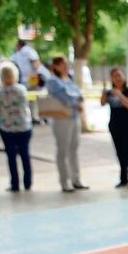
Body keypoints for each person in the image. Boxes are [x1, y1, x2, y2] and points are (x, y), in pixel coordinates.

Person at [45, 56, 88, 192]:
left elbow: (78, 95)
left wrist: (76, 101)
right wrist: (75, 102)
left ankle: (76, 179)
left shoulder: (68, 80)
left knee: (73, 149)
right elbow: (65, 98)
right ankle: (65, 181)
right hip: (62, 119)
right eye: (62, 65)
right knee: (63, 150)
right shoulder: (53, 81)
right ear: (56, 66)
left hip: (74, 117)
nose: (65, 67)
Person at [0, 62, 33, 192]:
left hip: (7, 128)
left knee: (11, 156)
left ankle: (15, 184)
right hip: (24, 127)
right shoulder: (22, 90)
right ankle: (28, 182)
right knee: (25, 154)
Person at [101, 66, 128, 189]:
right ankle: (123, 179)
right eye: (114, 76)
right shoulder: (110, 92)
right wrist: (104, 93)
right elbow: (102, 103)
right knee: (120, 154)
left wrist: (120, 96)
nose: (117, 78)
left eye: (119, 75)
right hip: (115, 127)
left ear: (124, 77)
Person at [12, 39, 42, 122]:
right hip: (32, 78)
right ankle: (33, 117)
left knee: (25, 98)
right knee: (33, 98)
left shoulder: (19, 53)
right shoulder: (29, 51)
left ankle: (28, 117)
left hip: (24, 79)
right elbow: (36, 64)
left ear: (19, 45)